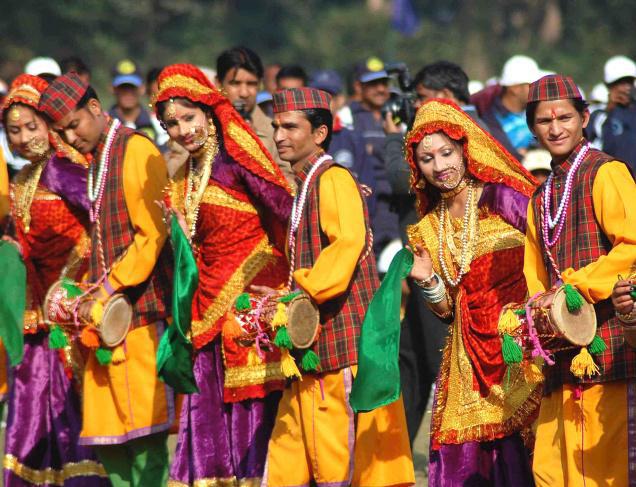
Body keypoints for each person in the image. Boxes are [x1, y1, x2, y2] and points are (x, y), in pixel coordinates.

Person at [263, 87, 414, 487]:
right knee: (291, 455)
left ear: (320, 133)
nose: (279, 135)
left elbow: (345, 246)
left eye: (290, 127)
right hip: (312, 349)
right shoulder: (306, 182)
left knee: (338, 463)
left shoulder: (333, 179)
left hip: (340, 347)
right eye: (277, 126)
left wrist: (298, 292)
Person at [154, 63, 293, 486]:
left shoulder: (237, 157)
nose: (181, 130)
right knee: (206, 409)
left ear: (210, 111)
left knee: (251, 415)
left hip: (248, 301)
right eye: (171, 124)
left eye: (188, 118)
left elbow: (286, 211)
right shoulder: (183, 175)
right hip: (204, 305)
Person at [39, 72, 174, 486]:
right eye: (62, 132)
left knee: (146, 438)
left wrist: (109, 289)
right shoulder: (98, 157)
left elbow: (152, 234)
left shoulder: (136, 149)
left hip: (139, 317)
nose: (70, 137)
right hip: (105, 321)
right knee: (110, 438)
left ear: (95, 109)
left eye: (74, 125)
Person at [405, 99, 541, 486]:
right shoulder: (427, 228)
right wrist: (429, 281)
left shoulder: (502, 197)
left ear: (466, 149)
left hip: (522, 348)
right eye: (427, 159)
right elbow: (447, 310)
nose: (440, 166)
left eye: (447, 152)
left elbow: (548, 249)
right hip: (469, 360)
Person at [523, 74, 636, 486]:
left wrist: (577, 287)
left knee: (602, 470)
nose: (555, 128)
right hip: (561, 353)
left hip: (609, 347)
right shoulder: (541, 194)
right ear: (533, 127)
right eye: (544, 121)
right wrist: (542, 320)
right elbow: (533, 275)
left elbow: (633, 245)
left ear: (585, 117)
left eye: (565, 117)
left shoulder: (606, 172)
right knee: (551, 470)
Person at [1, 73, 108, 485]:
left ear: (51, 124)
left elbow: (104, 222)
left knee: (71, 416)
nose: (25, 137)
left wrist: (76, 281)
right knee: (31, 415)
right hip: (35, 320)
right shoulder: (24, 179)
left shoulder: (66, 169)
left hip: (70, 317)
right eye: (14, 130)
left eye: (33, 126)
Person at [339, 57, 399, 257]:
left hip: (397, 208)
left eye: (384, 83)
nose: (381, 89)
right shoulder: (347, 117)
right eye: (374, 84)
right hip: (366, 210)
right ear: (358, 86)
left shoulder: (397, 114)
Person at [216, 46, 294, 183]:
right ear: (218, 83)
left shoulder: (275, 132)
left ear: (260, 85)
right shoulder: (201, 126)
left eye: (251, 84)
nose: (244, 93)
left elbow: (289, 182)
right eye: (235, 83)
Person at [472, 55, 543, 160]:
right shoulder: (487, 121)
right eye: (533, 85)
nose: (539, 90)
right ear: (515, 88)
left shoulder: (537, 112)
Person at [587, 55, 636, 173]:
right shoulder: (599, 115)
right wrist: (609, 110)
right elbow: (585, 143)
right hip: (613, 180)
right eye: (620, 83)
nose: (626, 88)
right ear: (609, 86)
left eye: (629, 82)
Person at [109, 59, 157, 142]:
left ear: (142, 89)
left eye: (132, 88)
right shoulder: (103, 124)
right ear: (112, 89)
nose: (128, 93)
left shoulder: (157, 123)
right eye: (123, 87)